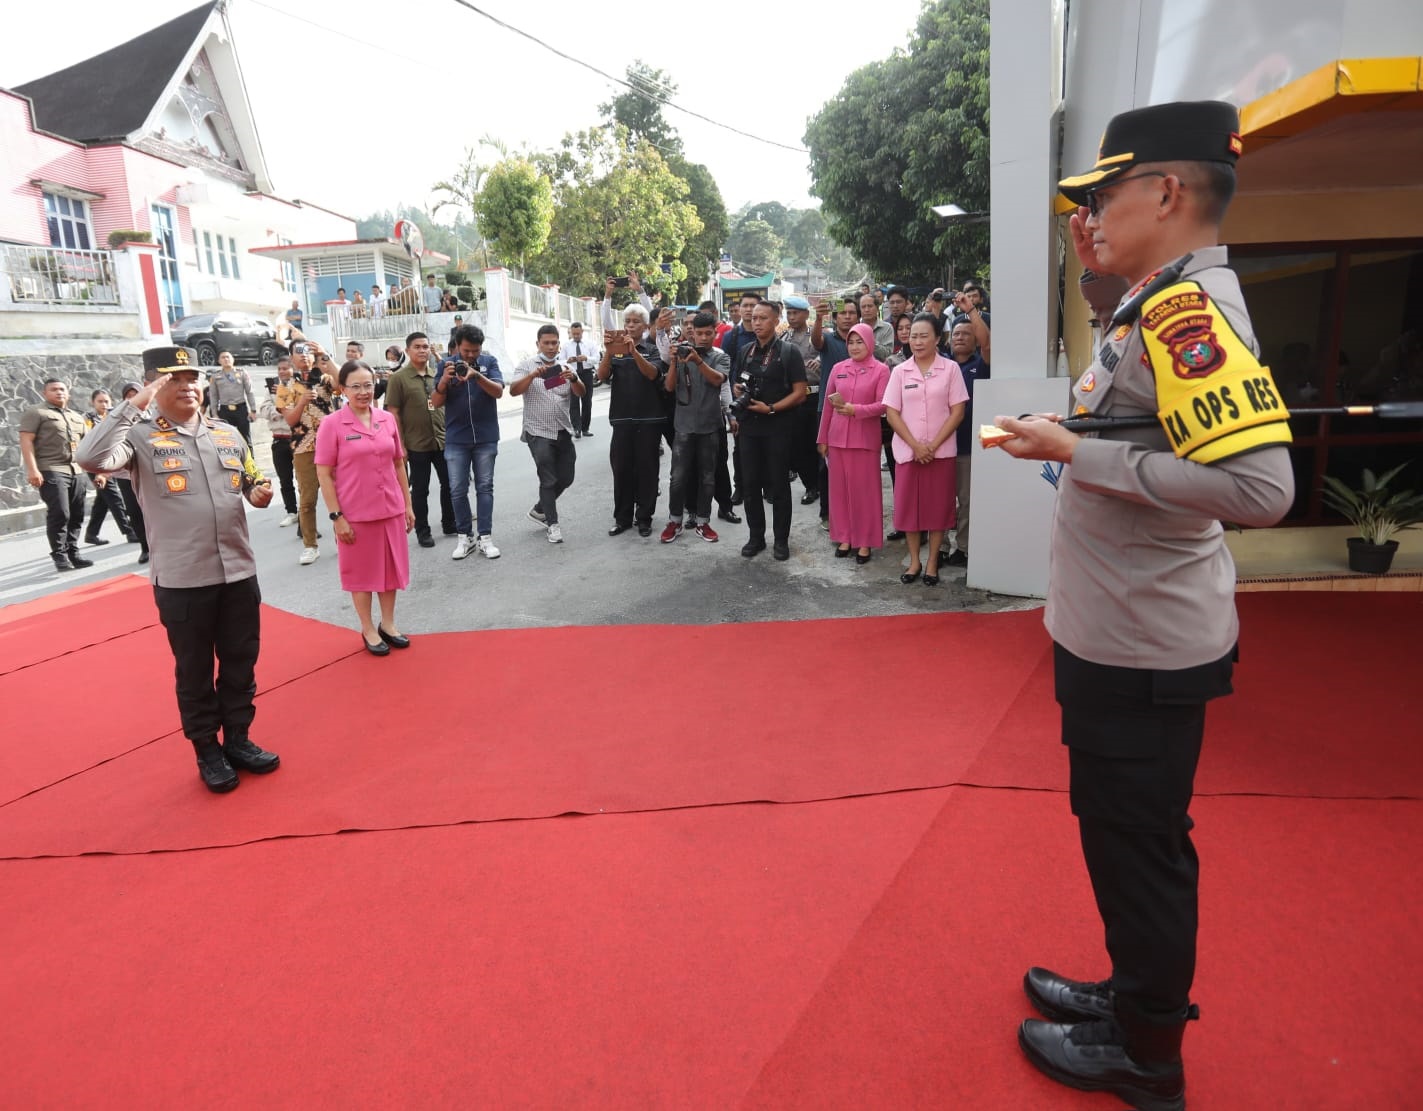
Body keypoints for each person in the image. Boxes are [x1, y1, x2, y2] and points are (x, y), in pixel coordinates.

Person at [997, 101, 1294, 1111]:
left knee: (1139, 845)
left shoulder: (1187, 315)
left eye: (1102, 195)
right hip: (1120, 625)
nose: (1086, 215)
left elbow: (1261, 490)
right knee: (1120, 833)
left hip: (1143, 641)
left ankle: (1146, 1055)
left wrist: (1075, 450)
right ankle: (1130, 998)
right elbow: (1143, 425)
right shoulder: (1151, 300)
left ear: (1163, 192)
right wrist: (1074, 432)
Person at [76, 345, 280, 793]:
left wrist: (258, 492)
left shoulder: (227, 433)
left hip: (238, 572)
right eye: (174, 379)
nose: (188, 386)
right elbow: (90, 459)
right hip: (184, 580)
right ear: (153, 383)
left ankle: (239, 739)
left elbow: (251, 479)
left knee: (240, 663)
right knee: (193, 670)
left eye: (192, 378)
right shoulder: (139, 438)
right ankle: (207, 749)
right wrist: (135, 404)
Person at [315, 361, 416, 655]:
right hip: (355, 514)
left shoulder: (386, 419)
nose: (363, 392)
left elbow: (398, 462)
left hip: (391, 508)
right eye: (355, 386)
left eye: (368, 385)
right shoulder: (332, 424)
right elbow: (324, 473)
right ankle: (368, 628)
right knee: (361, 574)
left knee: (390, 570)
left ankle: (388, 623)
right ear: (343, 389)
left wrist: (407, 504)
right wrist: (337, 517)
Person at [882, 313, 968, 586]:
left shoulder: (950, 369)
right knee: (909, 509)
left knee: (938, 509)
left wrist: (932, 445)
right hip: (908, 452)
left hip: (940, 453)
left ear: (938, 338)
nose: (917, 341)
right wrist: (916, 445)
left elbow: (957, 412)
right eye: (913, 336)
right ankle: (914, 561)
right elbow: (892, 412)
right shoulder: (900, 371)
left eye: (923, 336)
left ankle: (932, 561)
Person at [731, 300, 808, 561]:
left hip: (778, 426)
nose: (757, 323)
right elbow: (736, 383)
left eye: (763, 318)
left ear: (776, 320)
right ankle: (756, 537)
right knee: (750, 485)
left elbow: (799, 393)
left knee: (778, 486)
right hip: (750, 427)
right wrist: (738, 392)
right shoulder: (745, 351)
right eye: (753, 318)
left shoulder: (788, 352)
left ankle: (781, 541)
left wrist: (772, 408)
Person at [818, 323, 890, 564]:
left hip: (864, 441)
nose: (855, 346)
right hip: (837, 439)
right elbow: (827, 406)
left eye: (860, 341)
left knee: (864, 494)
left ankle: (865, 541)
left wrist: (855, 410)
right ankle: (845, 536)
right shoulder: (838, 368)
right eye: (851, 342)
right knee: (839, 492)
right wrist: (822, 438)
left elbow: (883, 404)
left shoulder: (880, 370)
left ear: (870, 342)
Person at [433, 323, 504, 561]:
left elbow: (498, 392)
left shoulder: (489, 362)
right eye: (466, 351)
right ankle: (465, 537)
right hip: (456, 438)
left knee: (485, 488)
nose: (471, 355)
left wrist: (477, 375)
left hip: (486, 436)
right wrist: (444, 380)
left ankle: (485, 537)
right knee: (457, 490)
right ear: (458, 347)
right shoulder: (445, 365)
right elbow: (436, 401)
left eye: (475, 350)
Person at [660, 311, 732, 543]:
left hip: (710, 427)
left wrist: (698, 361)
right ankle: (675, 521)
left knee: (708, 477)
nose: (702, 338)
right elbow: (670, 388)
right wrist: (673, 361)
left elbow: (717, 380)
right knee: (678, 478)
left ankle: (703, 522)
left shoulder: (721, 357)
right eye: (698, 333)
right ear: (692, 333)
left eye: (707, 333)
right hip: (683, 426)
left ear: (714, 333)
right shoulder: (681, 354)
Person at [511, 323, 583, 543]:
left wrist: (574, 379)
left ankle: (540, 508)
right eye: (546, 343)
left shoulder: (564, 368)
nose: (551, 347)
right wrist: (532, 375)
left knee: (567, 477)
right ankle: (553, 524)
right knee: (548, 478)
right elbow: (514, 390)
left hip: (562, 429)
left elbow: (580, 392)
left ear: (559, 344)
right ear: (538, 344)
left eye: (554, 343)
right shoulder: (526, 366)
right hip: (538, 431)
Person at [383, 331, 456, 548]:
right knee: (421, 489)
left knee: (450, 484)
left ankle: (449, 522)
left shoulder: (436, 374)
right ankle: (423, 531)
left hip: (442, 440)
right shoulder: (398, 379)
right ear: (407, 351)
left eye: (425, 346)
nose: (422, 350)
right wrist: (400, 445)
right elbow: (393, 412)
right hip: (416, 443)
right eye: (417, 347)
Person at [598, 314, 666, 537]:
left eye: (636, 321)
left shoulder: (652, 349)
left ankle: (644, 518)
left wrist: (634, 352)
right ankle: (622, 518)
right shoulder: (615, 349)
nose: (630, 325)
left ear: (646, 326)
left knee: (647, 470)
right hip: (622, 419)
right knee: (621, 469)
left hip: (649, 419)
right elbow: (602, 375)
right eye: (627, 321)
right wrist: (609, 350)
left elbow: (652, 373)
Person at [19, 378, 94, 573]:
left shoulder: (77, 417)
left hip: (76, 471)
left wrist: (99, 472)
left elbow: (88, 446)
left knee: (77, 514)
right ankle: (59, 555)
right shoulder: (36, 412)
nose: (59, 392)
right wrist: (32, 469)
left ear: (68, 394)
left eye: (62, 389)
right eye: (54, 389)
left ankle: (73, 553)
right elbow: (26, 441)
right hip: (50, 469)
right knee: (61, 512)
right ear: (45, 393)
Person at [943, 320, 991, 568]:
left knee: (965, 501)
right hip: (939, 446)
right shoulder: (942, 364)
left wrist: (972, 312)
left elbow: (988, 344)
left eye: (966, 334)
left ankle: (963, 548)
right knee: (941, 500)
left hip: (966, 446)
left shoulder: (981, 366)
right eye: (956, 333)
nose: (960, 337)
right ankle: (939, 547)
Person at [285, 341, 337, 565]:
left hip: (331, 444)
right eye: (298, 352)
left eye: (307, 352)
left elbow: (342, 383)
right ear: (291, 358)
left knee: (340, 494)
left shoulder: (324, 378)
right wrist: (302, 402)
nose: (304, 356)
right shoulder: (285, 386)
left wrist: (326, 355)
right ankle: (310, 545)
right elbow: (289, 419)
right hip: (303, 447)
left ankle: (342, 536)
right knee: (307, 500)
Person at [812, 297, 860, 530]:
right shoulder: (829, 340)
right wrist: (818, 317)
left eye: (852, 313)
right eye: (843, 313)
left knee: (853, 463)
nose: (848, 316)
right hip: (828, 409)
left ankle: (853, 511)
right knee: (826, 462)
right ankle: (827, 512)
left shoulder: (863, 342)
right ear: (835, 317)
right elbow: (816, 340)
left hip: (857, 410)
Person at [80, 390, 137, 546]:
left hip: (113, 460)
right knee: (113, 496)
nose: (104, 405)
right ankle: (129, 531)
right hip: (96, 463)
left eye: (107, 401)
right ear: (93, 402)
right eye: (100, 401)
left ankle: (91, 533)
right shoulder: (87, 419)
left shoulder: (113, 417)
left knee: (103, 499)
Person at [781, 296, 821, 505]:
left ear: (806, 314)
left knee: (817, 443)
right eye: (789, 313)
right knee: (798, 445)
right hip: (793, 398)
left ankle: (821, 484)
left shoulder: (815, 334)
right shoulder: (783, 338)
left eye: (795, 312)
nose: (792, 316)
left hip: (814, 396)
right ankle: (810, 486)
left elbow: (824, 350)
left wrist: (819, 360)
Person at [260, 356, 300, 526]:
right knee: (285, 479)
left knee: (302, 480)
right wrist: (281, 408)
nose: (282, 371)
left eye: (286, 368)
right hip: (278, 439)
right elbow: (264, 410)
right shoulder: (271, 389)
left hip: (296, 439)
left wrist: (284, 405)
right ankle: (291, 511)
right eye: (280, 369)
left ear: (292, 369)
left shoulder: (299, 388)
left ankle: (305, 513)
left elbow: (299, 410)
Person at [117, 381, 151, 563]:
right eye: (128, 396)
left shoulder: (155, 417)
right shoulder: (117, 420)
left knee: (155, 511)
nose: (133, 398)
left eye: (136, 394)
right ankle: (145, 548)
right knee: (135, 511)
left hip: (152, 472)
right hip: (126, 474)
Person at [206, 351, 259, 446]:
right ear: (219, 361)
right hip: (224, 411)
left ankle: (250, 460)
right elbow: (213, 396)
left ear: (233, 359)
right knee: (226, 439)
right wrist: (214, 414)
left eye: (228, 357)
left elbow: (249, 392)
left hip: (241, 409)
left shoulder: (242, 373)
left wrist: (253, 410)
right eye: (223, 357)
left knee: (245, 439)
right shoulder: (215, 376)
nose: (226, 359)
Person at [562, 321, 600, 438]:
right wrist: (568, 361)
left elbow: (597, 358)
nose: (576, 336)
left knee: (587, 402)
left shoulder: (590, 344)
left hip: (587, 374)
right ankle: (576, 429)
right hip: (573, 374)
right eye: (574, 334)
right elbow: (560, 361)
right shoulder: (566, 345)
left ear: (582, 332)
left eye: (578, 333)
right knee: (574, 402)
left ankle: (585, 428)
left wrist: (586, 358)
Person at [859, 293, 894, 360]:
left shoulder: (887, 328)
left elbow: (887, 354)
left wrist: (870, 342)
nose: (866, 310)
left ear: (877, 308)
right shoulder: (855, 328)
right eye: (863, 307)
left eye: (870, 306)